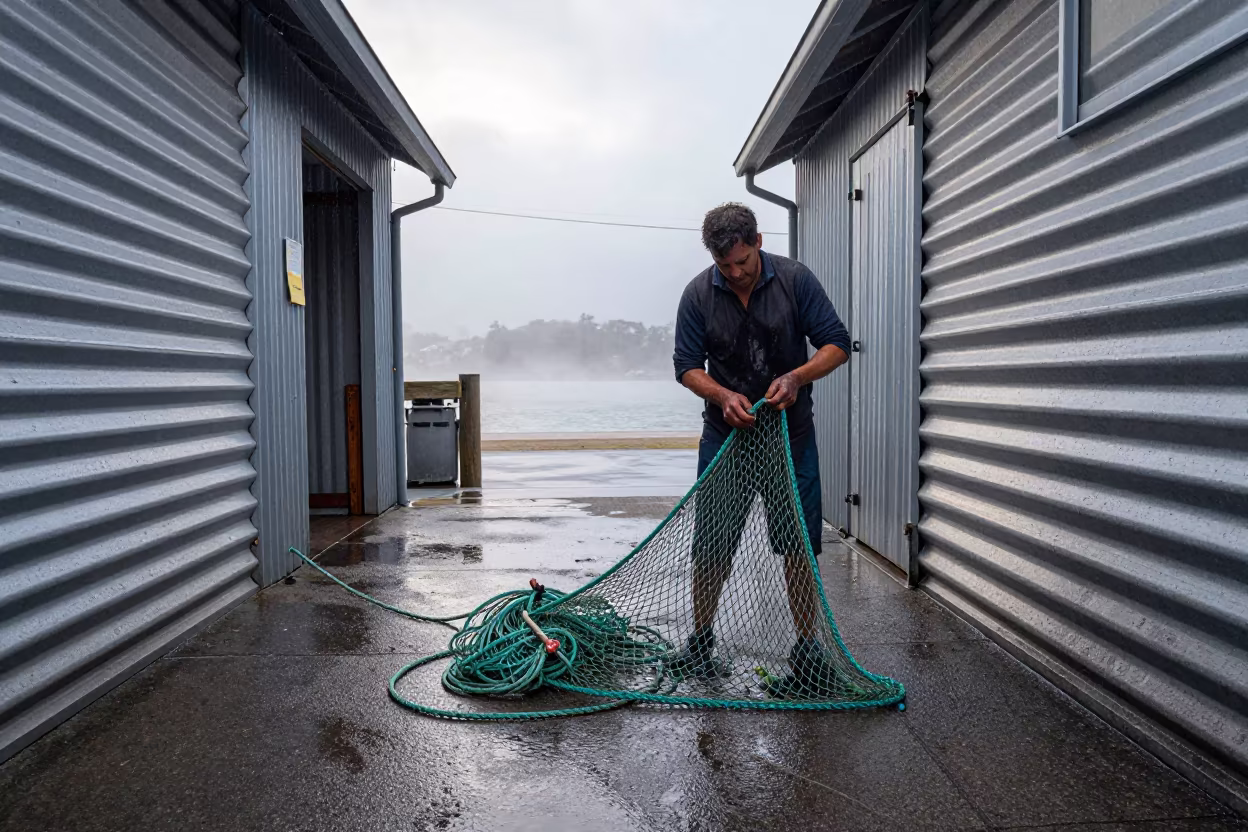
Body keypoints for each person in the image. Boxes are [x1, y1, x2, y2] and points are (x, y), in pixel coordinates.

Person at [670, 202, 851, 697]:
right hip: (725, 439)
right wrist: (721, 395)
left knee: (799, 544)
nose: (735, 273)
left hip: (790, 435)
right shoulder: (697, 294)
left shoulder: (796, 280)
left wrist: (796, 376)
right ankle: (701, 639)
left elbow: (836, 343)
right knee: (711, 543)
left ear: (759, 242)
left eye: (743, 262)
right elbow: (686, 365)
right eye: (724, 266)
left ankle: (808, 646)